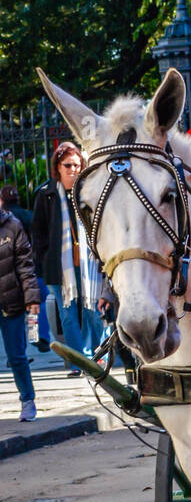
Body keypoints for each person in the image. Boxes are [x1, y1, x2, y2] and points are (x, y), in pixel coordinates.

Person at [31, 142, 104, 374]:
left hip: (89, 264)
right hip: (59, 266)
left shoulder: (89, 191)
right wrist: (44, 262)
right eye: (68, 165)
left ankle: (98, 356)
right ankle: (77, 362)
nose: (74, 169)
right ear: (58, 167)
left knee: (93, 310)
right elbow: (38, 233)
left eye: (77, 164)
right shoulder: (46, 194)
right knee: (68, 315)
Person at [0, 198, 40, 421]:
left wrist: (31, 297)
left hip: (10, 302)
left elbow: (25, 265)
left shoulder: (12, 226)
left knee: (16, 356)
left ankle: (27, 400)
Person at [0, 185, 51, 350]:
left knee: (15, 313)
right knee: (37, 303)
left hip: (9, 271)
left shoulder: (6, 219)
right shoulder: (28, 215)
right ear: (18, 199)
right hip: (32, 266)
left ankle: (19, 345)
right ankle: (37, 335)